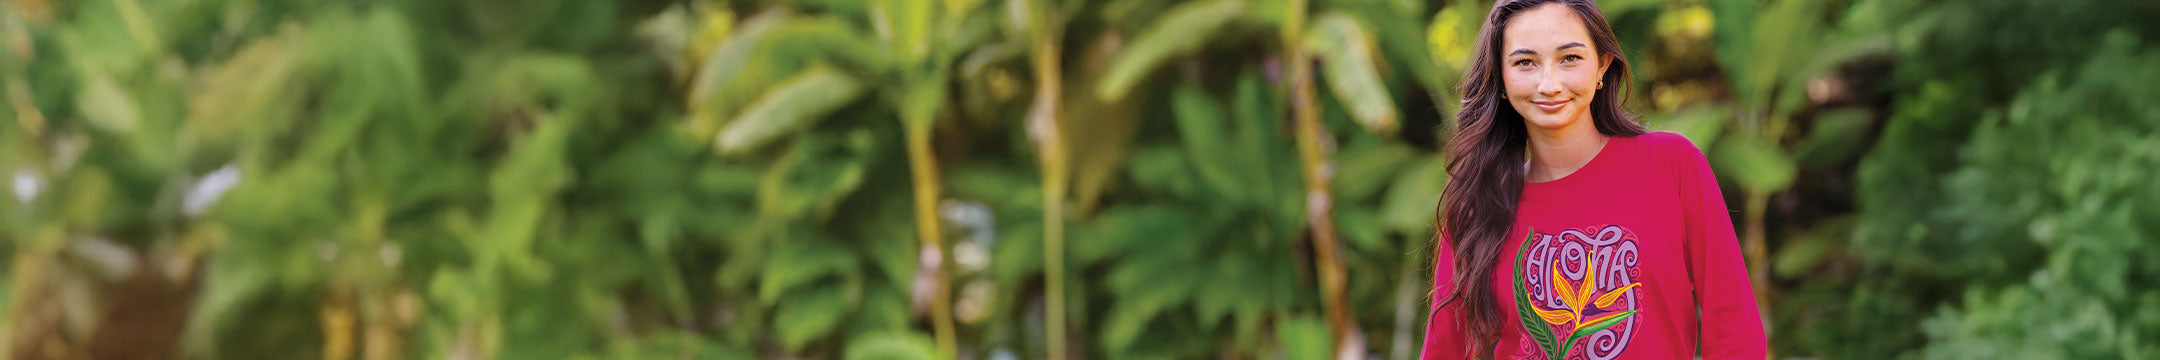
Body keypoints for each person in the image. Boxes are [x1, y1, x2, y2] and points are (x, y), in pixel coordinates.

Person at [1420, 0, 1768, 359]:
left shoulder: (1671, 164)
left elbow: (1734, 328)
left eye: (1570, 58)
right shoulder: (1477, 207)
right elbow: (1443, 348)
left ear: (1602, 65)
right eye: (1525, 63)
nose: (1549, 84)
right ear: (1503, 80)